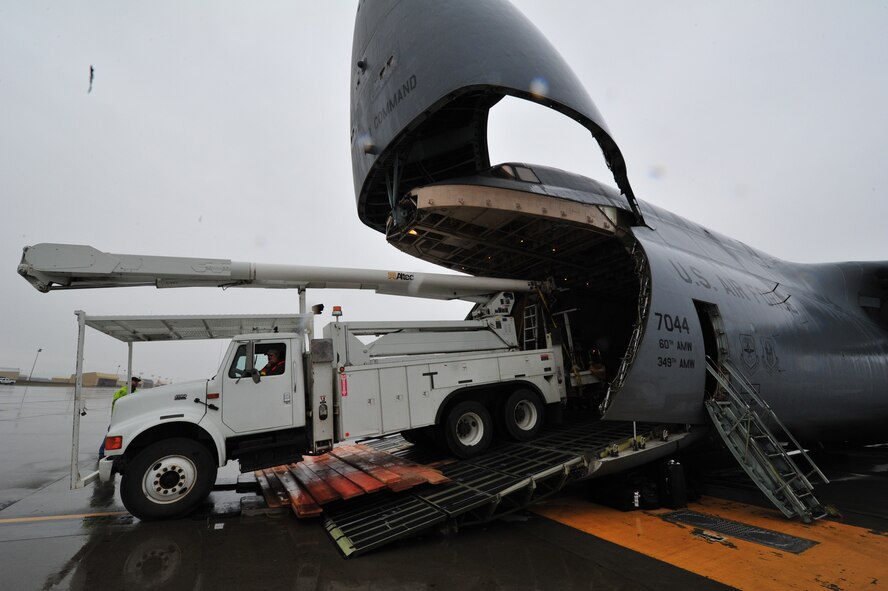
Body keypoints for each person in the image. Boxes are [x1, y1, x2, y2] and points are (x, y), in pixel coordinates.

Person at [100, 376, 140, 457]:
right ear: (129, 382)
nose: (136, 383)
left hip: (130, 417)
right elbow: (116, 404)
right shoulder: (121, 391)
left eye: (137, 381)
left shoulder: (137, 392)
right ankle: (101, 453)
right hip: (119, 418)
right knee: (111, 433)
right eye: (135, 381)